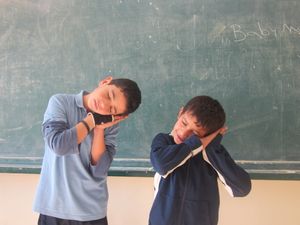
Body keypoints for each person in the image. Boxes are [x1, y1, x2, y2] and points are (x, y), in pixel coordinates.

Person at [33, 76, 141, 225]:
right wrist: (92, 120)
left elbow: (99, 170)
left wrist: (99, 130)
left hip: (91, 213)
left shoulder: (110, 124)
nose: (104, 105)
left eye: (111, 109)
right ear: (105, 82)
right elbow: (59, 145)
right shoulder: (60, 102)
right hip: (54, 208)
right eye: (109, 95)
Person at [149, 96, 251, 225]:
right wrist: (197, 142)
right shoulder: (163, 141)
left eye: (195, 133)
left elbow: (242, 188)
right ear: (180, 113)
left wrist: (210, 146)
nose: (184, 133)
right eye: (184, 123)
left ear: (209, 135)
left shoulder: (211, 152)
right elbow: (161, 165)